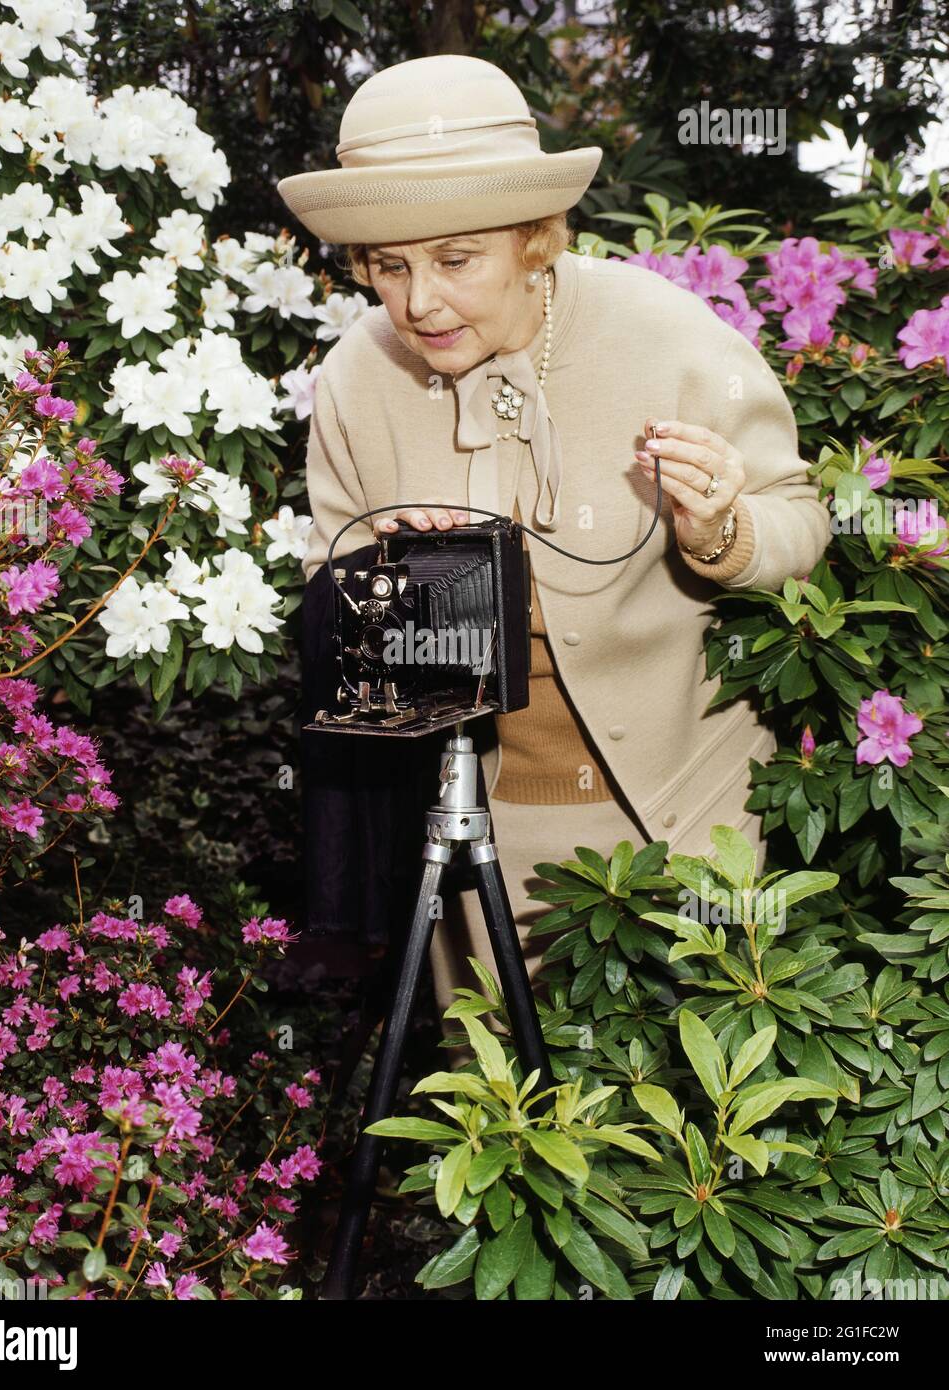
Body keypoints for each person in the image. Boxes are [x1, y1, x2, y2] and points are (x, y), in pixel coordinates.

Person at [278, 54, 831, 1038]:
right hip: (474, 819)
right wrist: (379, 579)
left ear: (536, 239)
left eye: (456, 260)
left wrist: (722, 530)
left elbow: (800, 519)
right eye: (389, 267)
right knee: (508, 1107)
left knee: (691, 1102)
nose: (418, 303)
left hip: (679, 809)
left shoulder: (663, 332)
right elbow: (328, 578)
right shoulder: (359, 374)